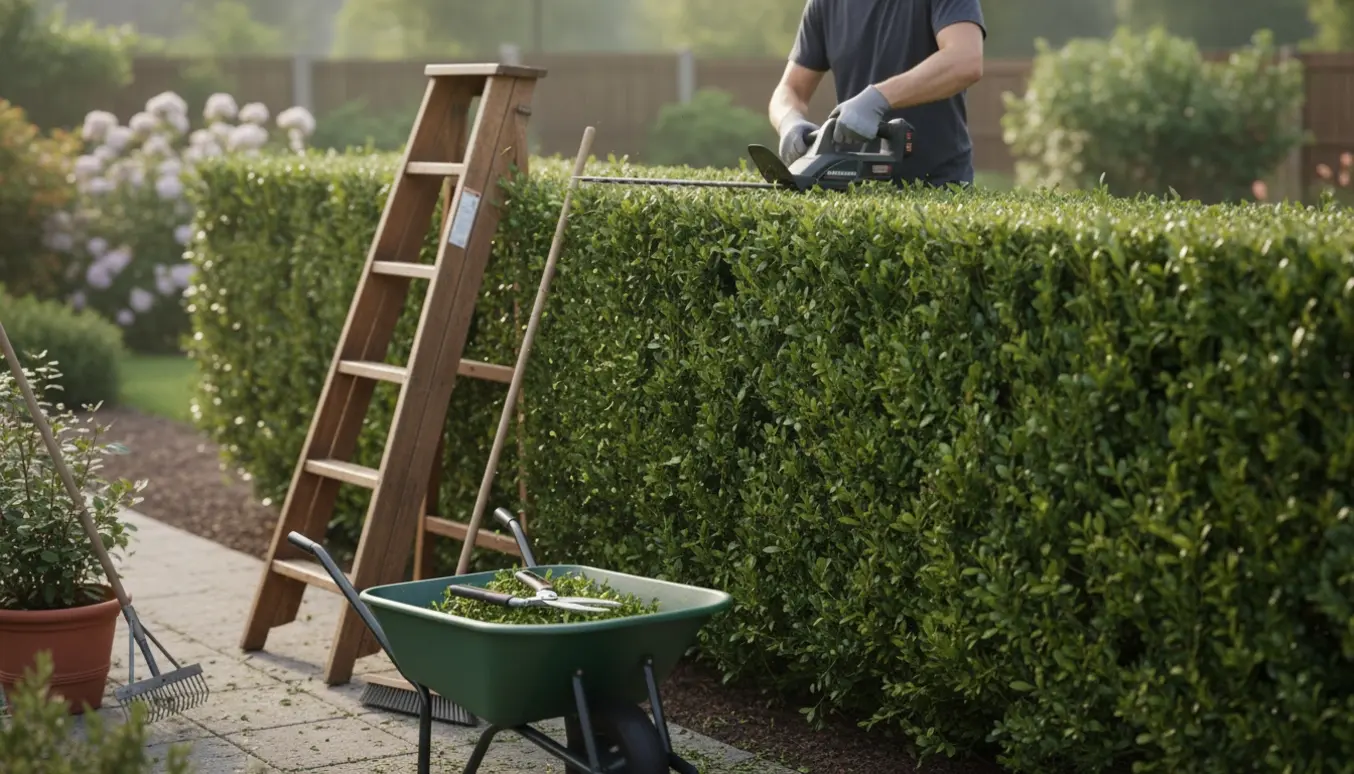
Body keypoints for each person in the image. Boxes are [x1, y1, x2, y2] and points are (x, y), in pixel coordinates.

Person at [768, 0, 987, 188]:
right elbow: (790, 89)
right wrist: (789, 121)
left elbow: (965, 60)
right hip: (853, 189)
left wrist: (878, 98)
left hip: (939, 187)